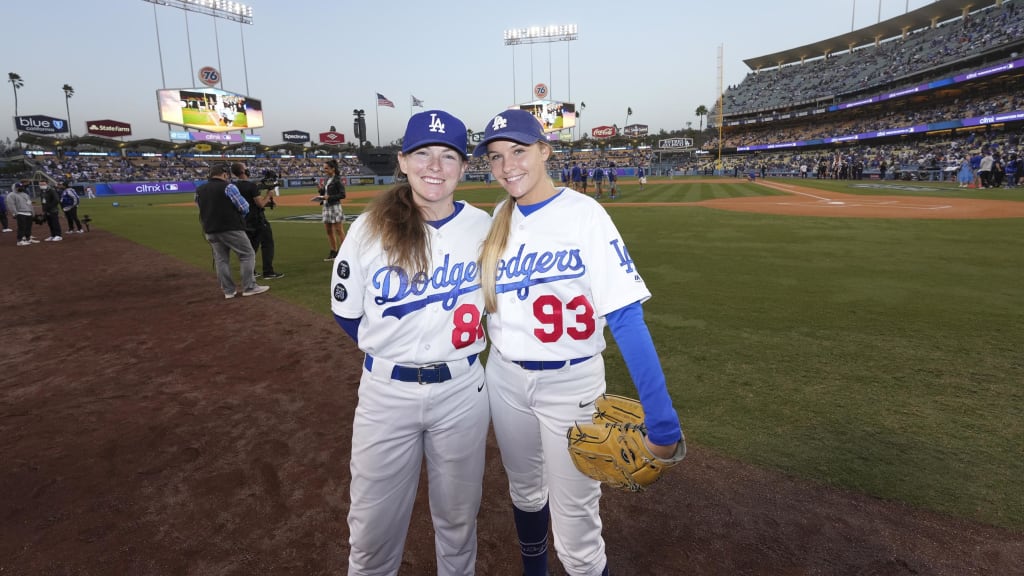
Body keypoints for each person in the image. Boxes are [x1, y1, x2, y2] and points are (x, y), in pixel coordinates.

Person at [473, 109, 685, 576]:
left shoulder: (586, 215)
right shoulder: (497, 219)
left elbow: (626, 316)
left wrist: (663, 422)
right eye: (496, 156)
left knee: (577, 529)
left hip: (571, 386)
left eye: (519, 151)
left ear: (545, 151)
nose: (507, 165)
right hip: (504, 378)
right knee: (525, 491)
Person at [330, 110, 491, 575]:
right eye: (422, 154)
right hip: (385, 395)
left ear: (464, 167)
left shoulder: (485, 228)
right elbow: (347, 314)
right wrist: (394, 351)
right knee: (371, 526)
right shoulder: (368, 227)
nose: (434, 166)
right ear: (402, 161)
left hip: (462, 392)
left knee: (459, 521)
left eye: (447, 156)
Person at [195, 163, 269, 299]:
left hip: (210, 229)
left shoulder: (200, 189)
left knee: (221, 260)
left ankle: (228, 291)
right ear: (224, 174)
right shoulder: (228, 187)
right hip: (231, 227)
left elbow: (200, 208)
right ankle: (249, 287)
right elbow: (244, 207)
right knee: (247, 254)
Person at [231, 162, 283, 279]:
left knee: (251, 247)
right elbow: (260, 204)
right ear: (243, 171)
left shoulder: (234, 186)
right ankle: (268, 271)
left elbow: (248, 203)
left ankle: (251, 271)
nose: (248, 169)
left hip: (245, 220)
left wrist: (267, 201)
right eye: (246, 168)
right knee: (267, 244)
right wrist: (269, 195)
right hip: (258, 220)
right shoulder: (251, 186)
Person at [318, 159, 346, 261]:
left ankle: (345, 252)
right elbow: (324, 193)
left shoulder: (337, 180)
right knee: (329, 230)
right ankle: (333, 251)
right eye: (324, 168)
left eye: (326, 168)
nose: (324, 170)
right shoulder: (326, 179)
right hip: (326, 206)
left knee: (339, 230)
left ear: (333, 169)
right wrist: (320, 190)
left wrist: (329, 197)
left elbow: (342, 195)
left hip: (335, 206)